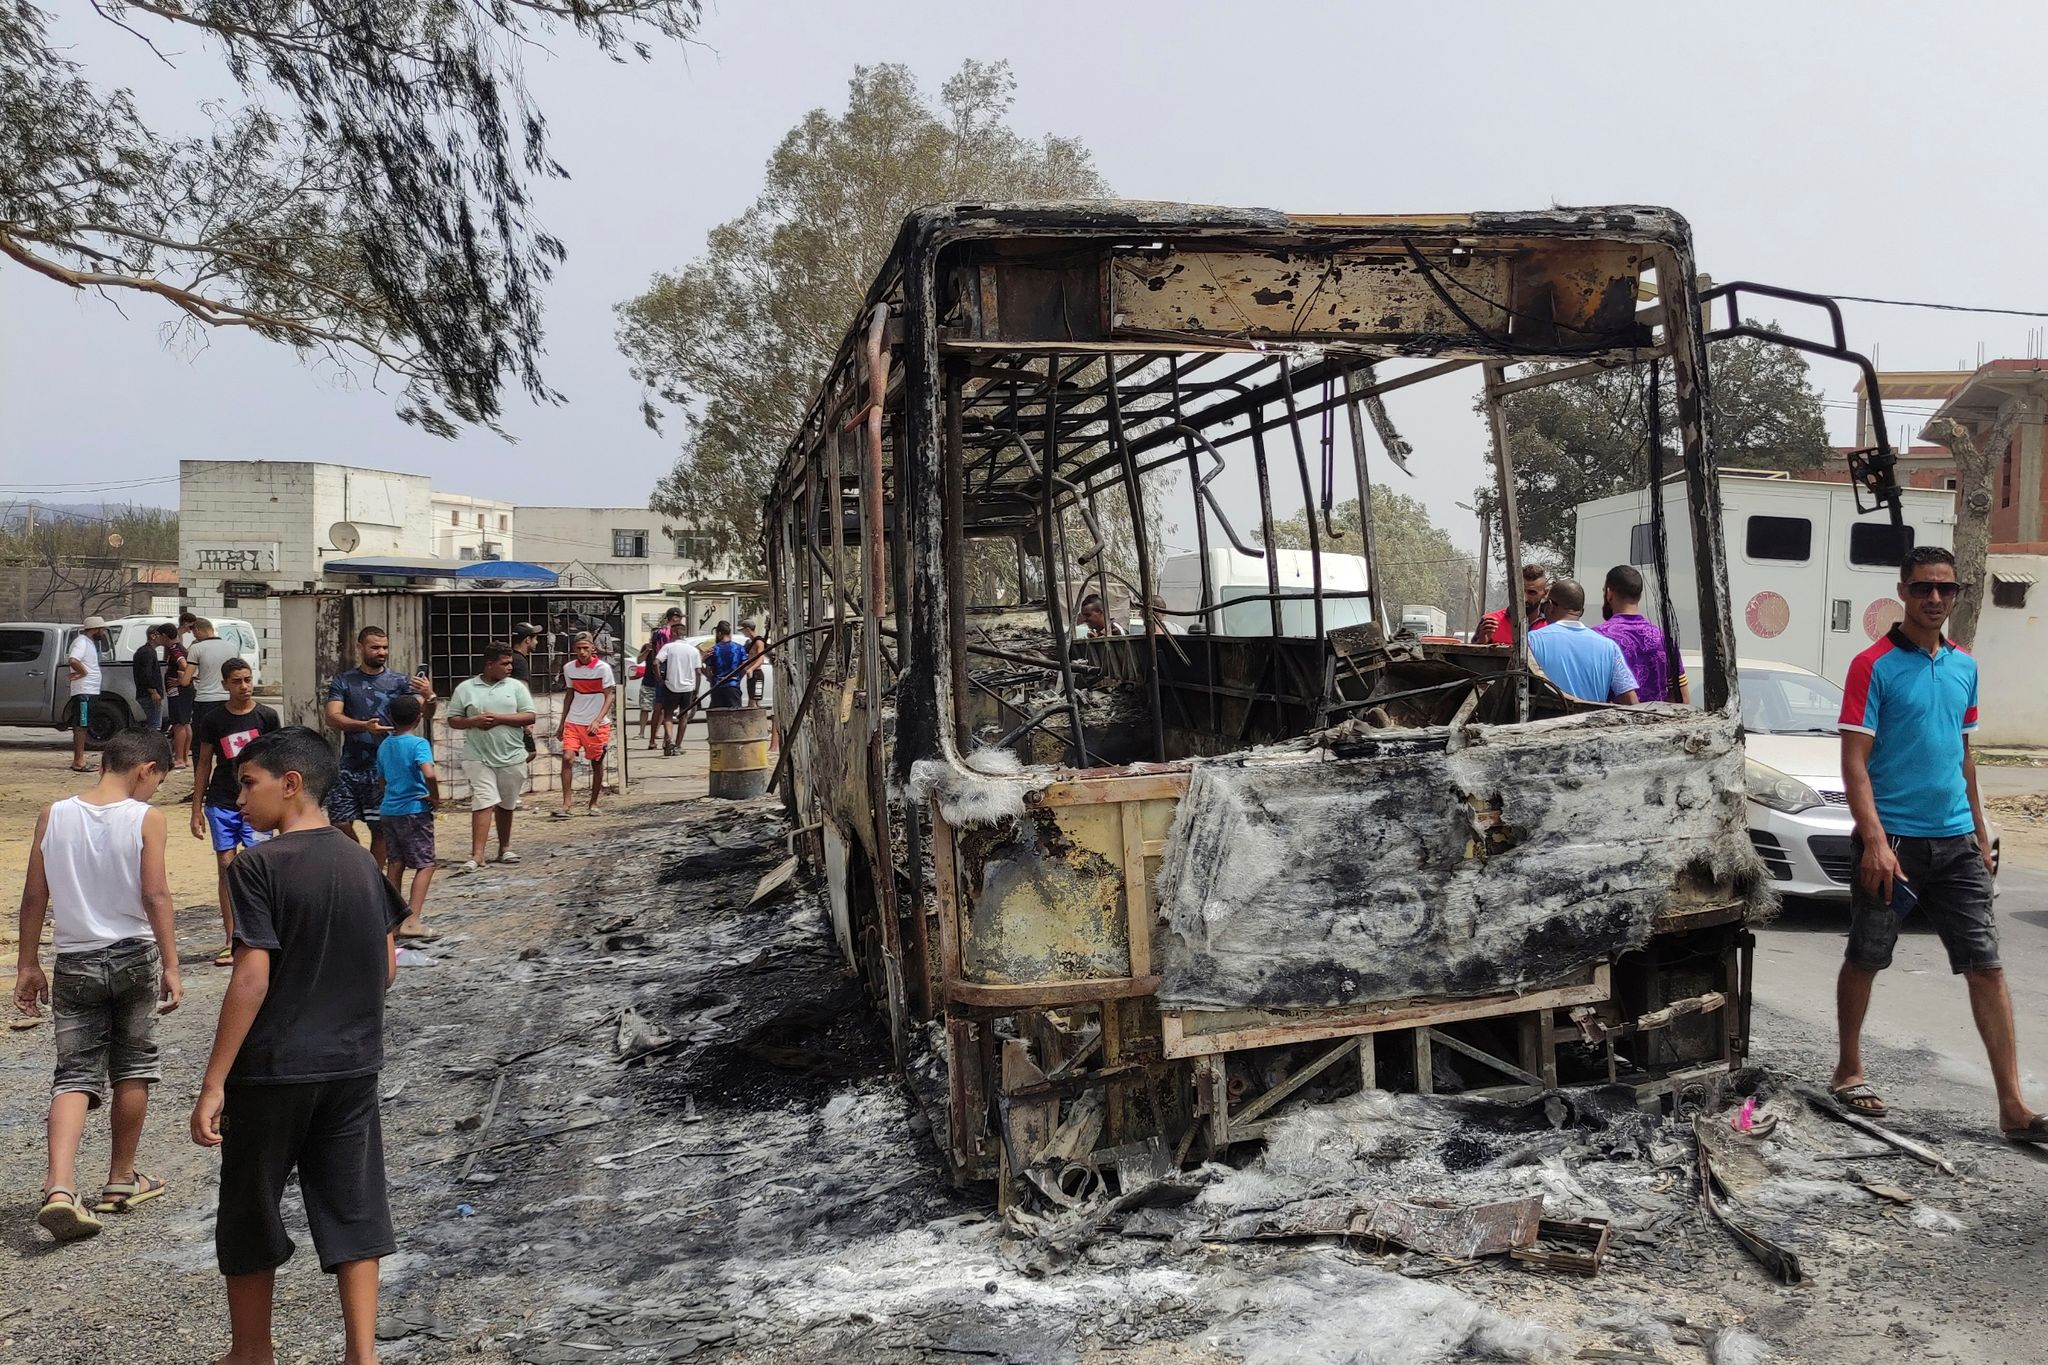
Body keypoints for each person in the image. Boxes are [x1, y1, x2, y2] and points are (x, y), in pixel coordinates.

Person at [188, 727, 408, 1365]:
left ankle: (252, 1351)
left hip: (274, 1071)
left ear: (291, 784)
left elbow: (251, 976)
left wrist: (213, 1083)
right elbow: (387, 965)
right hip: (351, 1065)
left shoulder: (257, 864)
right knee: (355, 1207)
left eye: (248, 784)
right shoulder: (359, 859)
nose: (239, 799)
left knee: (251, 1208)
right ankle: (361, 1355)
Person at [1832, 545, 2044, 1143]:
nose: (1934, 599)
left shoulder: (1965, 666)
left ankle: (2013, 1108)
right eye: (1923, 588)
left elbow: (1964, 755)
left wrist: (1981, 834)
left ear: (1956, 595)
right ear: (1902, 590)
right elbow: (1854, 762)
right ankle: (1849, 1068)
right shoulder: (1871, 665)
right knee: (1867, 955)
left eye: (1945, 590)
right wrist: (1874, 841)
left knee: (1987, 966)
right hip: (1893, 841)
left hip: (1955, 842)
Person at [15, 728, 182, 1242]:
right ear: (145, 770)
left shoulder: (54, 814)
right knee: (132, 1067)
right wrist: (173, 964)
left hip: (74, 959)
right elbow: (155, 894)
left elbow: (34, 895)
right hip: (133, 954)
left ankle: (60, 1188)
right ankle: (120, 1180)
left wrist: (27, 964)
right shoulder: (145, 818)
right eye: (157, 780)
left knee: (73, 1075)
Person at [192, 659, 280, 968]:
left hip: (258, 804)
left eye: (247, 679)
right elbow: (203, 763)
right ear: (225, 684)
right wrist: (196, 808)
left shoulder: (267, 717)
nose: (244, 686)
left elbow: (277, 763)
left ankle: (263, 933)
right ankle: (231, 938)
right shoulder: (214, 720)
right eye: (237, 681)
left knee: (258, 866)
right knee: (227, 866)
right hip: (222, 801)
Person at [322, 626, 434, 864]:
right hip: (350, 764)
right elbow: (332, 717)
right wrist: (365, 726)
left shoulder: (400, 682)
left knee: (380, 828)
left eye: (384, 647)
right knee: (339, 821)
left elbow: (422, 712)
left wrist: (429, 695)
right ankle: (362, 861)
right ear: (360, 648)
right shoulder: (344, 680)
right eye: (375, 647)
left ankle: (374, 877)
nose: (381, 652)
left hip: (384, 767)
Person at [446, 643, 536, 872]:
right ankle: (477, 855)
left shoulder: (515, 687)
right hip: (478, 755)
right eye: (504, 663)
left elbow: (529, 715)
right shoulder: (466, 688)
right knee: (484, 800)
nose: (509, 667)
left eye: (510, 663)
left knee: (507, 802)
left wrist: (499, 718)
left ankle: (504, 847)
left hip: (512, 754)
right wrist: (472, 722)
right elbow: (453, 719)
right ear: (489, 664)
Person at [374, 695, 439, 940]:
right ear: (419, 717)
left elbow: (381, 780)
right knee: (426, 864)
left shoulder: (385, 745)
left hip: (389, 810)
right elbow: (429, 773)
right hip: (414, 811)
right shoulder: (418, 744)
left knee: (396, 863)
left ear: (390, 718)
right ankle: (413, 920)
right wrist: (434, 796)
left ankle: (392, 921)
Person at [1525, 579, 1639, 704]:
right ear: (1581, 612)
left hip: (1547, 722)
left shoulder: (1531, 641)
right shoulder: (1609, 647)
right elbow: (1631, 700)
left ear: (1550, 606)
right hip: (1592, 722)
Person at [1594, 566, 1689, 704]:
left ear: (1609, 593)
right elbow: (1683, 697)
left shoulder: (1597, 637)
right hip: (1658, 722)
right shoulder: (1663, 639)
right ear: (1639, 595)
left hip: (1612, 724)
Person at [556, 634, 616, 817]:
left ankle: (594, 803)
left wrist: (598, 720)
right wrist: (561, 723)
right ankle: (566, 804)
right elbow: (569, 695)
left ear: (593, 649)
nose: (582, 652)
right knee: (567, 758)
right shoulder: (569, 668)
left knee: (596, 763)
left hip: (596, 724)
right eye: (578, 648)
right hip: (574, 721)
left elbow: (609, 696)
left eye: (585, 648)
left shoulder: (603, 668)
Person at [64, 617, 107, 773]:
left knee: (84, 724)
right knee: (81, 725)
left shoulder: (88, 642)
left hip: (89, 690)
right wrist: (83, 672)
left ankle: (80, 759)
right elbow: (73, 660)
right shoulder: (81, 642)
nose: (103, 632)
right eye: (102, 629)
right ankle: (78, 761)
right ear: (95, 629)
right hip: (84, 691)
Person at [1473, 564, 1552, 646]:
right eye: (1519, 591)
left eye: (1531, 593)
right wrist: (1482, 643)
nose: (1524, 599)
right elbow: (1470, 656)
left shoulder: (1551, 626)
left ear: (1545, 593)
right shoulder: (1489, 623)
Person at [654, 627, 702, 755]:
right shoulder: (694, 651)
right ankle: (678, 745)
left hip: (671, 686)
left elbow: (655, 663)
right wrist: (696, 690)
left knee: (668, 715)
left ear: (675, 634)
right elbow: (698, 672)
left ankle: (669, 739)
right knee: (684, 716)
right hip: (688, 688)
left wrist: (660, 680)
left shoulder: (668, 647)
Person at [186, 617, 238, 727]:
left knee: (203, 738)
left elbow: (185, 680)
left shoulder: (196, 648)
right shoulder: (233, 647)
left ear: (197, 630)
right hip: (228, 699)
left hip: (205, 700)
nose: (195, 637)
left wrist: (181, 679)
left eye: (194, 634)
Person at [509, 621, 542, 763]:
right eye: (535, 638)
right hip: (515, 716)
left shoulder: (509, 657)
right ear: (527, 640)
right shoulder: (520, 661)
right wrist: (527, 719)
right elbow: (523, 691)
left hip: (507, 713)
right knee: (529, 753)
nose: (537, 642)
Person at [163, 625, 194, 768]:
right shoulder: (181, 647)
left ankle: (180, 758)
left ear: (165, 635)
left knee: (178, 724)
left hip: (178, 692)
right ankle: (184, 756)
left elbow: (183, 665)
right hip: (184, 691)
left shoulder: (175, 649)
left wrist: (180, 681)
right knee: (185, 722)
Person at [131, 623, 167, 733]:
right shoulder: (148, 652)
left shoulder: (145, 651)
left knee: (153, 723)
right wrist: (153, 691)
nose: (163, 638)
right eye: (161, 635)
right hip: (149, 694)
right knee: (154, 725)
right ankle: (152, 747)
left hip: (146, 693)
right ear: (153, 636)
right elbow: (146, 674)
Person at [707, 621, 747, 709]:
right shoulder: (739, 648)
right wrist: (738, 678)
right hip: (733, 686)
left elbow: (708, 669)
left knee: (718, 717)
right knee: (735, 717)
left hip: (717, 687)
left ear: (719, 633)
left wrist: (711, 679)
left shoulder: (714, 650)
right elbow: (745, 667)